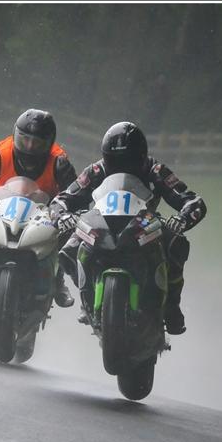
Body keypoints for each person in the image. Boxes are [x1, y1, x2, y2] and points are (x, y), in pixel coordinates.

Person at [49, 121, 207, 335]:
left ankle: (171, 306)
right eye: (115, 161)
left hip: (143, 223)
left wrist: (182, 219)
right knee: (67, 249)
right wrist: (62, 215)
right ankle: (86, 298)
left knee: (176, 243)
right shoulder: (96, 170)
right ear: (106, 157)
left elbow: (192, 200)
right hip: (101, 222)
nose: (121, 166)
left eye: (129, 161)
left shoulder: (155, 170)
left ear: (141, 156)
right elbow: (63, 199)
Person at [0, 108, 78, 312]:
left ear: (49, 143)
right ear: (15, 135)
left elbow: (75, 193)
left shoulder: (59, 163)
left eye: (37, 142)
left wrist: (68, 215)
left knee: (65, 236)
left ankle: (57, 282)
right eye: (24, 140)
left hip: (43, 213)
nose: (30, 147)